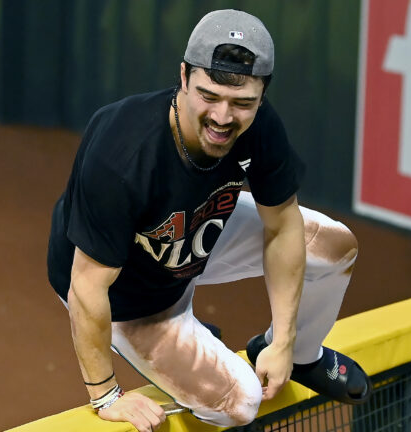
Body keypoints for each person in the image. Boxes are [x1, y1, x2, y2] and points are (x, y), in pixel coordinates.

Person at [46, 9, 371, 431]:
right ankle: (186, 335)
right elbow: (87, 287)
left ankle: (304, 356)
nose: (222, 117)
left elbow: (283, 226)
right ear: (183, 77)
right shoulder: (122, 153)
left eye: (242, 103)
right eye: (209, 95)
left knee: (335, 246)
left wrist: (287, 340)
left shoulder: (260, 126)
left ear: (262, 95)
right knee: (240, 405)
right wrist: (106, 394)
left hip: (200, 230)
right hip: (129, 292)